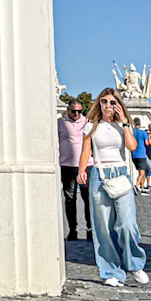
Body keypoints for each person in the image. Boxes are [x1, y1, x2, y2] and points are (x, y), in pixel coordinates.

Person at [78, 87, 150, 287]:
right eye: (104, 102)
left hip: (120, 174)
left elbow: (132, 147)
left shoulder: (122, 125)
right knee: (103, 227)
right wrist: (82, 170)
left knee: (127, 224)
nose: (108, 106)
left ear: (118, 104)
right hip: (99, 176)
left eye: (112, 102)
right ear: (98, 104)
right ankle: (110, 271)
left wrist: (125, 122)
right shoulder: (91, 126)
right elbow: (86, 152)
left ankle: (134, 264)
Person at [57, 98, 91, 240]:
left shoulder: (87, 122)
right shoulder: (60, 123)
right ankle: (72, 229)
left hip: (87, 165)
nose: (76, 114)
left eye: (79, 111)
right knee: (70, 199)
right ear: (68, 110)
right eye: (74, 111)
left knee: (88, 198)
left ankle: (90, 228)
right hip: (67, 165)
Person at [131, 118, 151, 191]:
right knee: (142, 172)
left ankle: (142, 187)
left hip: (134, 155)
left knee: (140, 172)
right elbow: (147, 143)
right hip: (141, 154)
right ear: (140, 124)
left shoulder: (132, 132)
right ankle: (137, 185)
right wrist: (150, 137)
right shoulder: (143, 133)